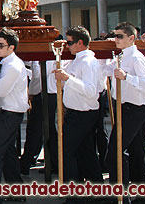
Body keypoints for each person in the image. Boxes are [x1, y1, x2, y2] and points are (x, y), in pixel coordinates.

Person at [102, 22, 145, 191]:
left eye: (120, 36)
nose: (116, 39)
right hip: (130, 105)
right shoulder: (122, 55)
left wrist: (127, 77)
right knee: (136, 150)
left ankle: (120, 195)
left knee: (115, 151)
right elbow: (105, 70)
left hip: (137, 106)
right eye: (115, 35)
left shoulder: (136, 57)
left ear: (131, 38)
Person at [52, 26, 103, 196]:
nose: (68, 46)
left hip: (83, 113)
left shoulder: (88, 62)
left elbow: (91, 90)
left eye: (70, 42)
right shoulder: (78, 60)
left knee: (68, 152)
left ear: (80, 43)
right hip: (77, 112)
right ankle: (95, 190)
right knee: (86, 153)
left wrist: (68, 78)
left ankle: (75, 194)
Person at [0, 28, 28, 204]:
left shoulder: (12, 66)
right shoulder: (9, 63)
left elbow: (1, 91)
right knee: (8, 152)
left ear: (11, 47)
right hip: (9, 112)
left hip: (11, 113)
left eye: (1, 45)